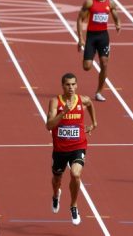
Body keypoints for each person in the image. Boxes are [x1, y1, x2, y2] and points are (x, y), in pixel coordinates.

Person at [46, 73, 97, 225]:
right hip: (60, 149)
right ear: (63, 86)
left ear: (77, 85)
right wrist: (64, 112)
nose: (71, 87)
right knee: (57, 179)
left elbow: (90, 105)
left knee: (75, 174)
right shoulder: (55, 102)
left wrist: (94, 123)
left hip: (78, 146)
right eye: (68, 84)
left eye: (73, 84)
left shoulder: (83, 100)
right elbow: (49, 125)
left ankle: (73, 205)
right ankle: (56, 195)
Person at [77, 0, 121, 101]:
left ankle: (99, 92)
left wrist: (118, 23)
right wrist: (80, 38)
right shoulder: (90, 2)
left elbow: (115, 14)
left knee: (104, 64)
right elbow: (80, 19)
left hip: (103, 37)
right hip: (91, 37)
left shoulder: (110, 3)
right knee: (87, 67)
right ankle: (88, 56)